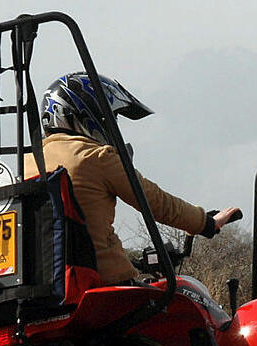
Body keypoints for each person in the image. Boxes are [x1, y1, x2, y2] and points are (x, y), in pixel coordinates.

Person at [29, 72, 240, 285]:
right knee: (187, 305)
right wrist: (206, 223)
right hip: (101, 283)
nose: (112, 125)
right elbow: (155, 201)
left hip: (45, 289)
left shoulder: (26, 164)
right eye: (110, 118)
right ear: (88, 115)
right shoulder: (95, 157)